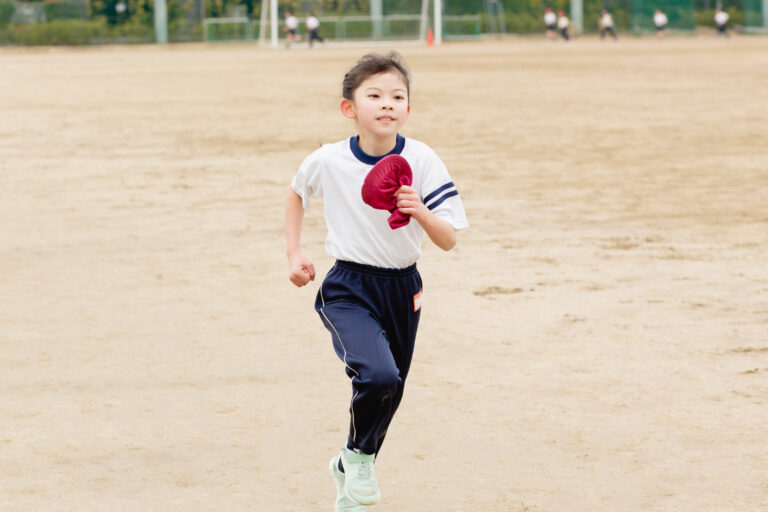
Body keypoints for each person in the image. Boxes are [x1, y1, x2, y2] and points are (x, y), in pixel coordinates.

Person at [285, 52, 468, 511]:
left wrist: (419, 209)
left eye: (397, 96)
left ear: (408, 108)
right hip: (348, 286)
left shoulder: (421, 158)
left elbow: (448, 240)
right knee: (378, 373)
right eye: (375, 96)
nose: (387, 104)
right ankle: (361, 458)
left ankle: (349, 465)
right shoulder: (329, 159)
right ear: (350, 108)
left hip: (403, 288)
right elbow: (296, 192)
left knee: (393, 388)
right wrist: (295, 252)